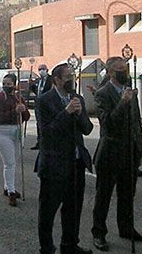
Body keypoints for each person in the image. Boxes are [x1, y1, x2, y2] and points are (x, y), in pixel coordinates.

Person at [91, 57, 142, 252]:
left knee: (127, 195)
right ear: (109, 73)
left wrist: (140, 148)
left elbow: (135, 123)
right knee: (104, 196)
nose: (124, 72)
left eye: (125, 68)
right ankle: (98, 233)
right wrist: (123, 103)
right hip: (110, 152)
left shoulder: (129, 91)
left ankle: (126, 227)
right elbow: (109, 124)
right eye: (119, 69)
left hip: (129, 152)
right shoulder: (102, 94)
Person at [35, 63, 94, 254]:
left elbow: (87, 129)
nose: (72, 80)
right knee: (48, 210)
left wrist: (78, 114)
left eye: (73, 76)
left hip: (75, 163)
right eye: (68, 77)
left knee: (73, 208)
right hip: (54, 165)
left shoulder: (78, 99)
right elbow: (47, 133)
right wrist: (66, 113)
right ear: (57, 80)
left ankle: (70, 244)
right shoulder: (45, 100)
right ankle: (46, 247)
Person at [0, 73, 30, 206]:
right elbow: (0, 117)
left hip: (17, 131)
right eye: (4, 84)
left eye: (9, 84)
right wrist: (15, 111)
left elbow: (26, 117)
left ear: (14, 84)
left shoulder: (18, 98)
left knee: (14, 160)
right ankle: (11, 191)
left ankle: (7, 186)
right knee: (9, 162)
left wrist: (23, 110)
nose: (6, 86)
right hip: (3, 132)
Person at [29, 64, 52, 150]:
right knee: (39, 124)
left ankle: (48, 142)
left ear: (47, 70)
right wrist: (31, 85)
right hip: (38, 105)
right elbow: (36, 91)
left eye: (43, 69)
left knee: (48, 124)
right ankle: (40, 142)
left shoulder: (51, 80)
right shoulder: (38, 80)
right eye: (39, 69)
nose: (41, 71)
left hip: (48, 105)